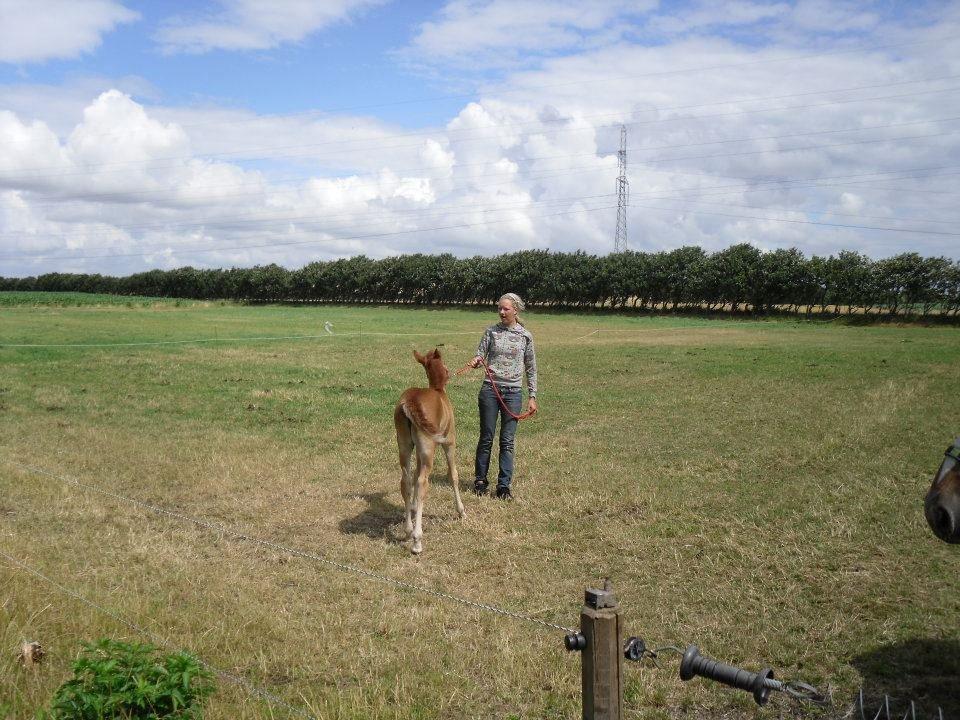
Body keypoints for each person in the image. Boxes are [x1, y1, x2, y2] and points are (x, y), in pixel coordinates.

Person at [467, 293, 538, 500]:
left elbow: (531, 368)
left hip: (513, 393)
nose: (501, 312)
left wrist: (532, 396)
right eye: (499, 308)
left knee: (507, 441)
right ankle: (480, 480)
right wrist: (477, 360)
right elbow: (481, 353)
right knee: (486, 438)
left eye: (505, 309)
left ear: (515, 310)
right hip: (490, 390)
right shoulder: (491, 332)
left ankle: (503, 486)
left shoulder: (525, 336)